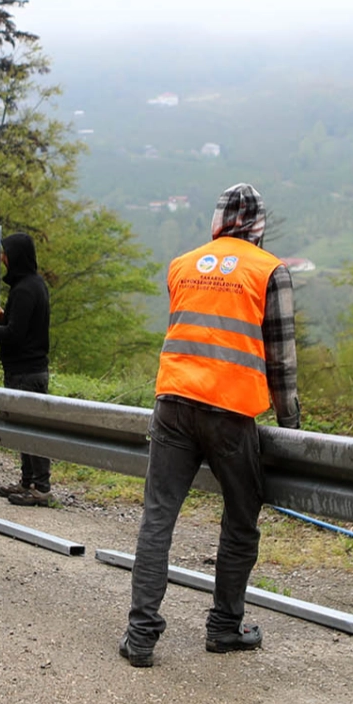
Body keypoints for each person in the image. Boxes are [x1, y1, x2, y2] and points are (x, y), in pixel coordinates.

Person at [120, 182, 300, 668]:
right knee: (240, 520)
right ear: (259, 226)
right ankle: (223, 627)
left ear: (218, 220)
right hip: (231, 413)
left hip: (174, 402)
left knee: (158, 516)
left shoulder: (182, 264)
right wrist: (291, 427)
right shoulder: (270, 271)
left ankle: (141, 637)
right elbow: (281, 361)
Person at [0, 231, 54, 506]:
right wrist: (3, 319)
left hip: (25, 371)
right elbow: (23, 325)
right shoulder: (34, 285)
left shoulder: (24, 290)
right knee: (25, 429)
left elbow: (15, 334)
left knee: (31, 429)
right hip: (30, 369)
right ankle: (28, 482)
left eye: (7, 254)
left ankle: (40, 487)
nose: (4, 260)